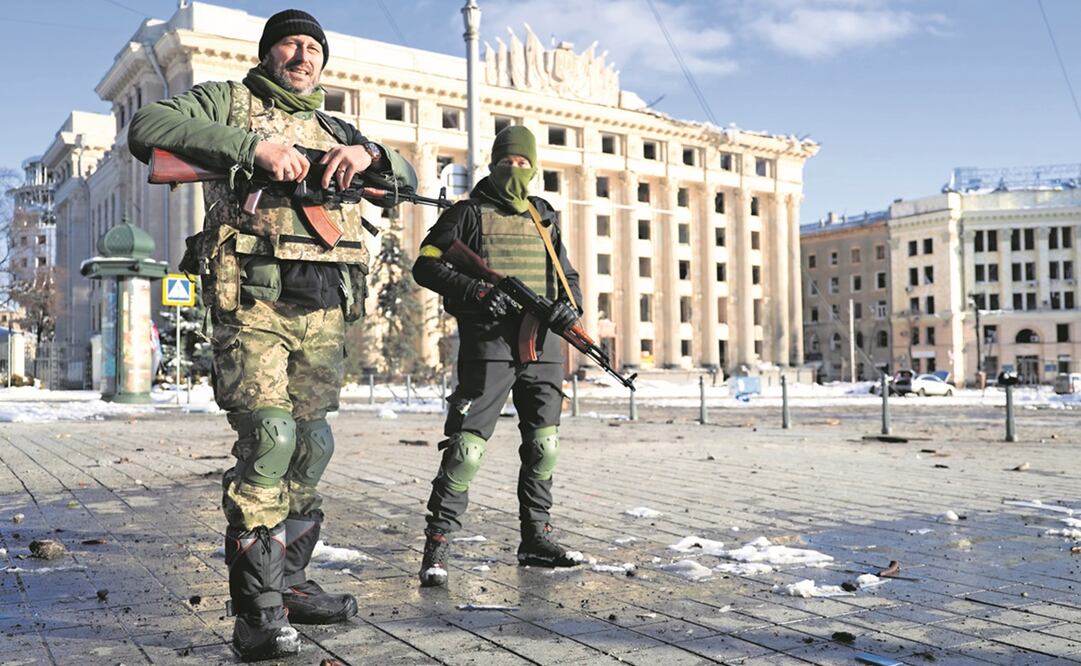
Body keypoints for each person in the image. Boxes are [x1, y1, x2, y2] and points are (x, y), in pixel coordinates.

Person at [129, 9, 415, 660]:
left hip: (320, 309)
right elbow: (151, 128)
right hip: (251, 301)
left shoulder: (334, 125)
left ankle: (289, 585)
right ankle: (255, 614)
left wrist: (367, 154)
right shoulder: (230, 100)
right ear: (267, 53)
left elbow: (405, 180)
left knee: (312, 444)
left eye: (314, 46)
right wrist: (252, 149)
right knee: (270, 439)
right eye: (290, 42)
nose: (303, 54)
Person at [412, 125, 585, 587]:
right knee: (467, 449)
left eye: (524, 163)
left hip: (545, 344)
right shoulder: (466, 213)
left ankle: (536, 538)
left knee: (544, 446)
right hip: (488, 343)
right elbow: (426, 263)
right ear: (494, 163)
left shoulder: (543, 214)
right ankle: (438, 545)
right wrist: (476, 290)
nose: (516, 170)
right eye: (508, 162)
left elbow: (566, 273)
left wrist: (573, 305)